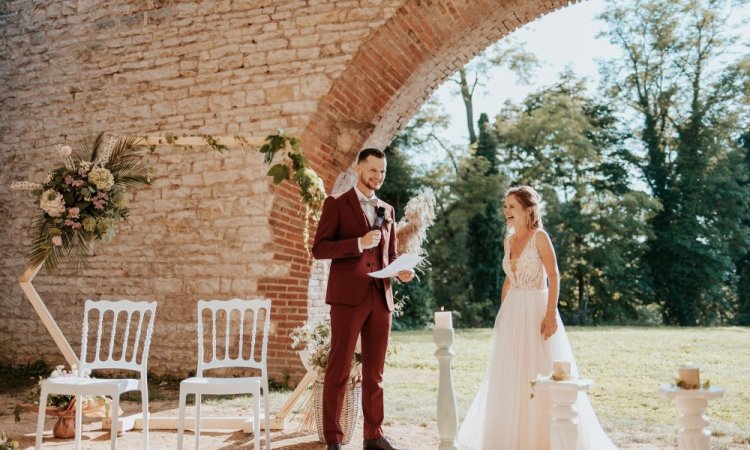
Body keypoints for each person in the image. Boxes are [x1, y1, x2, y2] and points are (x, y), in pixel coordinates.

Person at [457, 186, 617, 450]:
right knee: (509, 374)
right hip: (513, 312)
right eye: (505, 206)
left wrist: (550, 313)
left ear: (528, 209)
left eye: (512, 206)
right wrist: (503, 311)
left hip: (537, 309)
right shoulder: (508, 240)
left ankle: (544, 439)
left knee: (539, 369)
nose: (506, 211)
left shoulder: (539, 236)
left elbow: (554, 275)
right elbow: (509, 279)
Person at [312, 148, 414, 450]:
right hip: (347, 298)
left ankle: (373, 435)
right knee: (339, 367)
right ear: (359, 168)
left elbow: (390, 254)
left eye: (382, 172)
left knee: (375, 372)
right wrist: (357, 242)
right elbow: (319, 249)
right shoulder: (337, 204)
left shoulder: (388, 210)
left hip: (380, 299)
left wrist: (400, 271)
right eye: (373, 171)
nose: (378, 177)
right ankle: (333, 438)